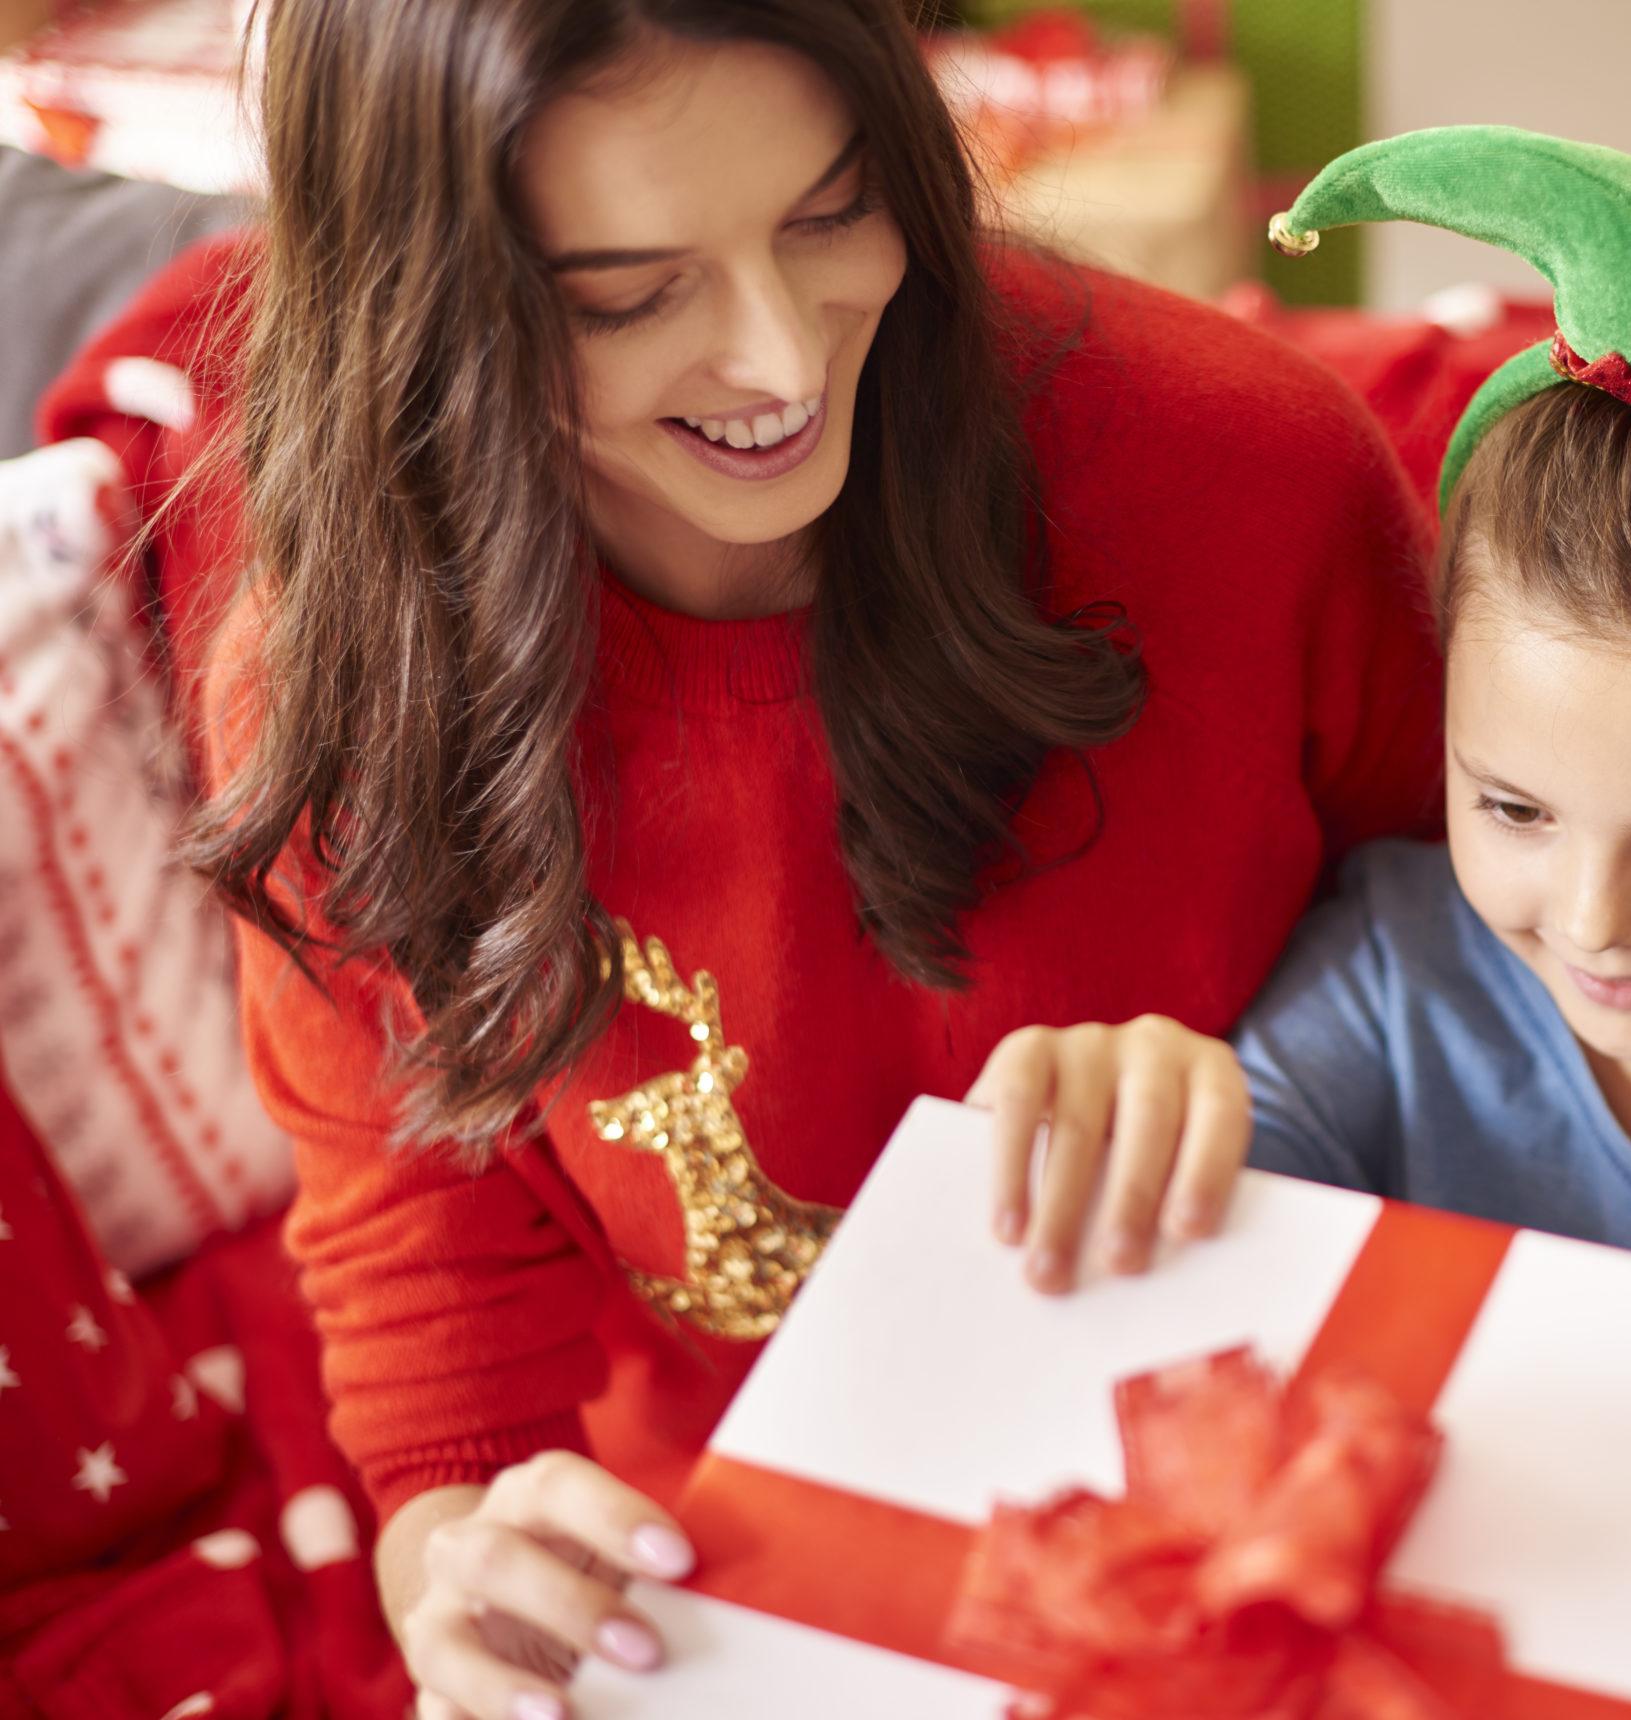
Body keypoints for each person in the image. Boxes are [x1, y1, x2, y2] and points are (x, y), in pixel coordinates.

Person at [152, 1, 1445, 1713]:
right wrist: (455, 1554)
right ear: (422, 313)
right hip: (735, 1570)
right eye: (627, 297)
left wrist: (1274, 1094)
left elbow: (1514, 1003)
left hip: (1298, 1483)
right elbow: (425, 1281)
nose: (778, 360)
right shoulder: (340, 684)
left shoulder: (1254, 476)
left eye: (833, 214)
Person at [970, 129, 1631, 1316]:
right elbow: (1200, 1226)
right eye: (1513, 809)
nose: (1592, 920)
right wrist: (1135, 1127)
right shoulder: (1393, 984)